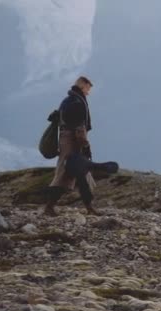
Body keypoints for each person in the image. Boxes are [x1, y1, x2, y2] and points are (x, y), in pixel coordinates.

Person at [44, 76, 98, 216]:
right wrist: (85, 146)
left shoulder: (68, 100)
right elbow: (79, 128)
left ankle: (89, 207)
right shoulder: (77, 103)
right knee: (66, 174)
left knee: (78, 174)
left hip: (65, 140)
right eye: (88, 88)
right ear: (83, 86)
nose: (89, 92)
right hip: (72, 143)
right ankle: (49, 207)